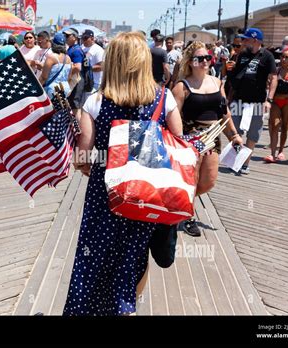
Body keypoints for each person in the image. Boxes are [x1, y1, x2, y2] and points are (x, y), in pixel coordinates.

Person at [63, 32, 183, 315]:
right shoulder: (164, 99)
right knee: (135, 254)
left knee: (96, 255)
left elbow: (82, 155)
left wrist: (91, 167)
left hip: (105, 192)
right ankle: (127, 307)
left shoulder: (96, 102)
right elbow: (179, 146)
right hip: (148, 192)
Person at [172, 41, 243, 236]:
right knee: (192, 179)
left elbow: (224, 112)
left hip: (213, 135)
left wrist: (234, 135)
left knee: (208, 181)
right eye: (200, 58)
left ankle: (182, 202)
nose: (205, 61)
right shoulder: (182, 86)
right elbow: (172, 115)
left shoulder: (217, 82)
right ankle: (188, 216)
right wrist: (177, 141)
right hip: (190, 137)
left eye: (207, 58)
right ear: (190, 62)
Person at [228, 28, 277, 174]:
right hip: (239, 100)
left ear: (255, 40)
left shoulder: (267, 56)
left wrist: (269, 100)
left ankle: (245, 163)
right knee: (235, 131)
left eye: (246, 39)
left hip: (256, 102)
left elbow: (273, 77)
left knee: (252, 133)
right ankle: (236, 159)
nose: (243, 42)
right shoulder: (242, 54)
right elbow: (235, 77)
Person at [265, 44, 288, 163]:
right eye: (282, 57)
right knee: (274, 125)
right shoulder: (276, 70)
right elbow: (269, 85)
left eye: (286, 57)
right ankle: (272, 153)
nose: (283, 59)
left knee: (285, 125)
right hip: (276, 101)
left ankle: (281, 151)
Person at [39, 32, 72, 99]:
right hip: (65, 88)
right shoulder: (68, 58)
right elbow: (69, 77)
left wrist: (37, 87)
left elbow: (44, 77)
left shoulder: (51, 57)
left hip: (53, 89)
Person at [64, 28, 84, 120]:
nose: (66, 37)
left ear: (75, 37)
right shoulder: (72, 49)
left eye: (68, 36)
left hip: (76, 81)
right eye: (65, 36)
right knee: (71, 105)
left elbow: (77, 67)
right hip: (74, 80)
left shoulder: (76, 50)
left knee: (75, 106)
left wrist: (68, 76)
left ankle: (78, 130)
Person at [81, 29, 104, 94]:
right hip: (84, 82)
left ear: (92, 38)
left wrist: (87, 68)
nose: (83, 40)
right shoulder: (82, 48)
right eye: (82, 38)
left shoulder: (98, 50)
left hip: (95, 83)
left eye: (85, 38)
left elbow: (101, 66)